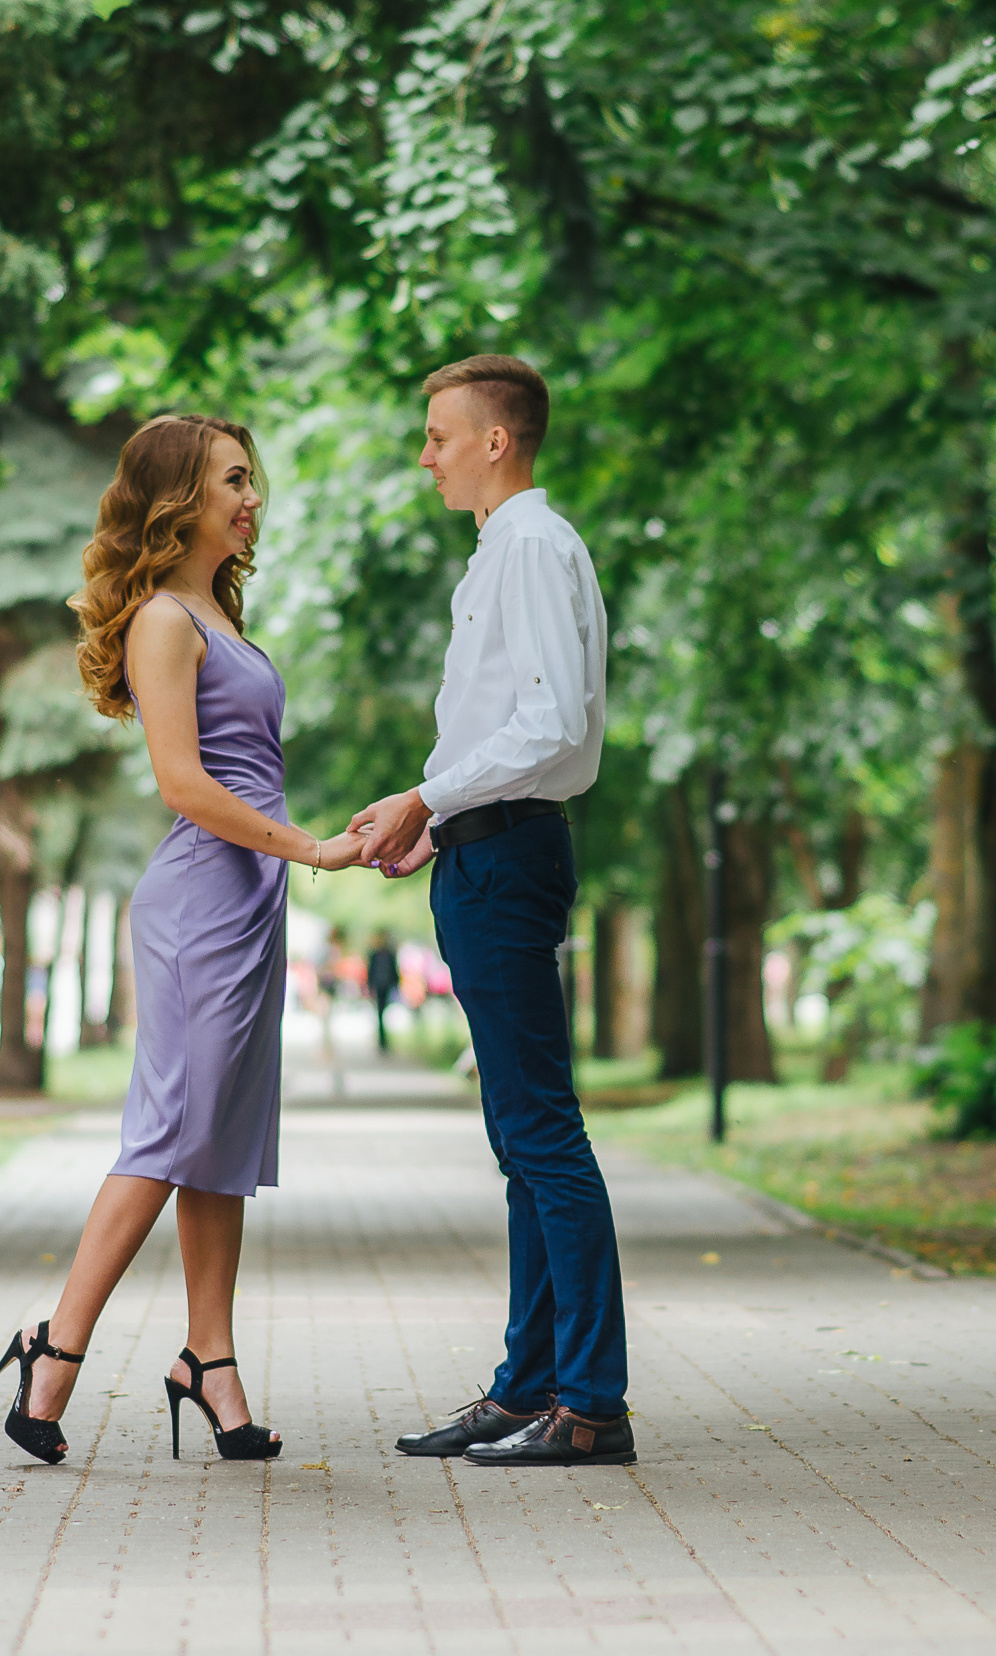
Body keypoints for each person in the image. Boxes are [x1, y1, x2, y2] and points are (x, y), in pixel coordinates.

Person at [0, 414, 367, 1467]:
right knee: (168, 1134)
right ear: (178, 499)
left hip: (247, 899)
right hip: (202, 901)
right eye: (233, 481)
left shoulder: (215, 612)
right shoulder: (162, 620)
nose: (252, 498)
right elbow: (185, 785)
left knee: (220, 1143)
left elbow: (246, 772)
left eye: (252, 480)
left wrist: (347, 844)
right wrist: (312, 852)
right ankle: (52, 1351)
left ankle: (209, 1360)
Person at [351, 355, 632, 1468]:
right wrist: (434, 817)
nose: (426, 454)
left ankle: (591, 1403)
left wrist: (430, 795)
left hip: (509, 858)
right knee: (518, 1137)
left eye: (436, 435)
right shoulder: (504, 553)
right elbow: (498, 732)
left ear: (494, 441)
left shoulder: (526, 547)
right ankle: (528, 1386)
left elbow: (553, 725)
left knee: (543, 1135)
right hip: (482, 851)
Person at [366, 931, 401, 1054]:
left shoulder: (388, 954)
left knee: (383, 1013)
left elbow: (394, 970)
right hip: (379, 986)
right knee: (380, 1013)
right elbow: (370, 971)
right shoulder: (375, 955)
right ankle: (382, 1040)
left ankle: (383, 1040)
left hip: (386, 985)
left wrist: (396, 984)